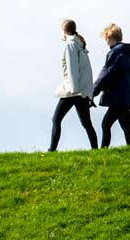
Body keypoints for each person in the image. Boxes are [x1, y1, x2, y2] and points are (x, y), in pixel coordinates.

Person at [49, 19, 98, 152]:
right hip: (82, 91)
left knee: (56, 119)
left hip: (73, 90)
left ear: (64, 31)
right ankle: (96, 150)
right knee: (87, 124)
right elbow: (87, 72)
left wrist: (72, 90)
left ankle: (51, 150)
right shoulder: (80, 45)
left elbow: (72, 69)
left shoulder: (70, 45)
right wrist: (88, 94)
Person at [93, 23, 130, 148]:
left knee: (106, 124)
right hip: (126, 96)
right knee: (126, 126)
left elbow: (105, 75)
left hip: (116, 97)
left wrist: (92, 92)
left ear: (111, 38)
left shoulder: (114, 53)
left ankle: (103, 151)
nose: (106, 42)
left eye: (107, 39)